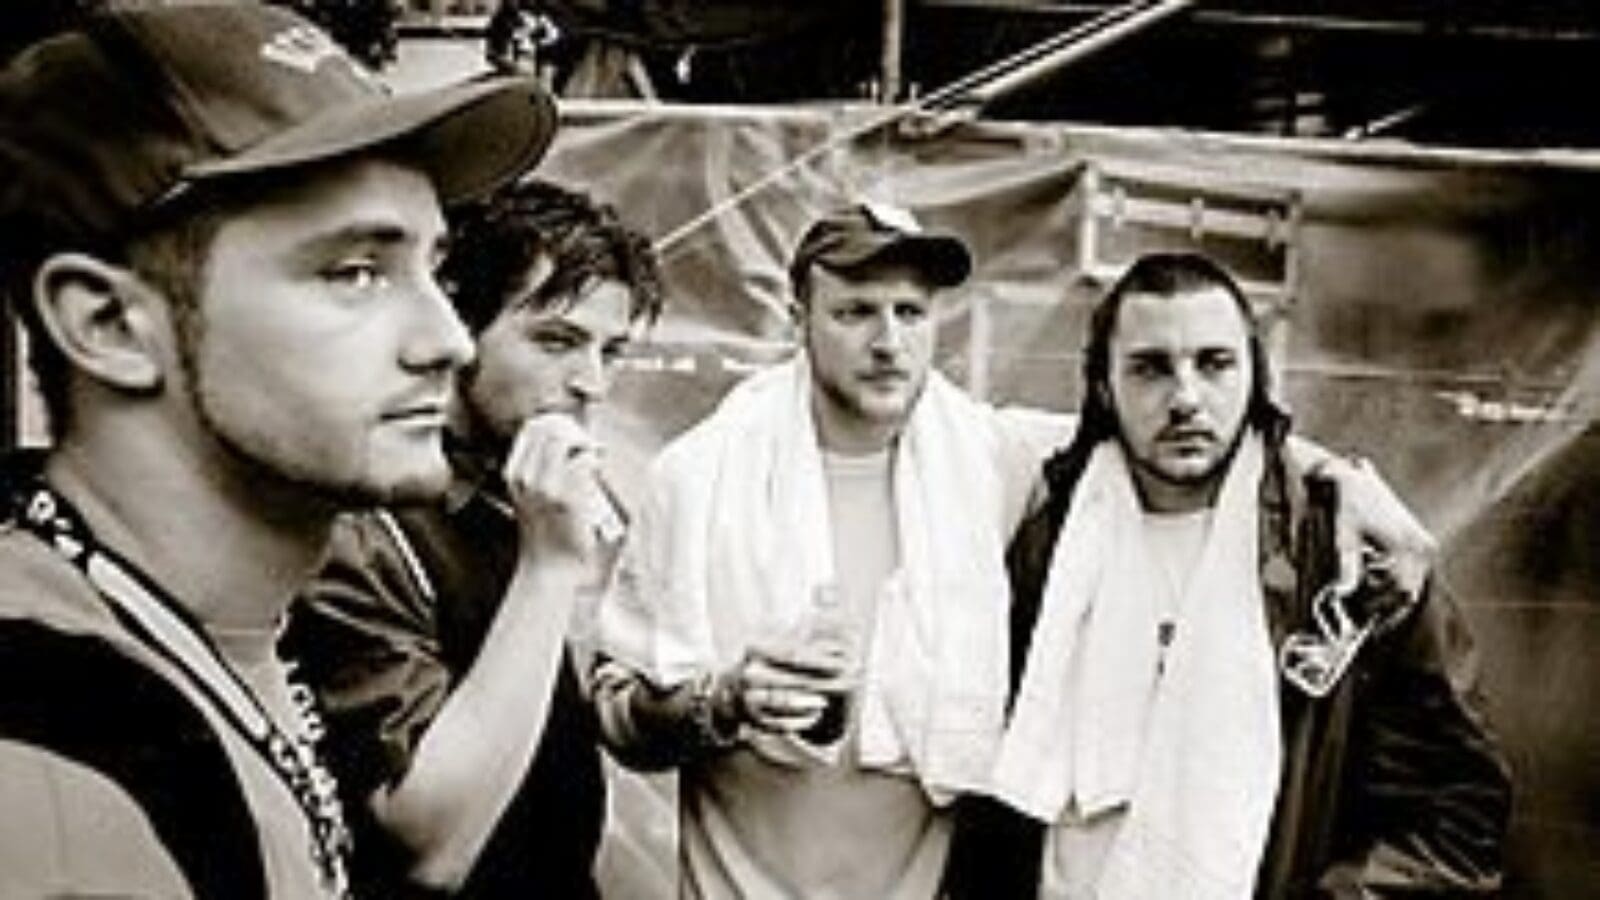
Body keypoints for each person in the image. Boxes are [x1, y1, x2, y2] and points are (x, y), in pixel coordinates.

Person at [592, 204, 1441, 898]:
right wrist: (724, 701)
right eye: (855, 311)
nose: (888, 341)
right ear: (798, 319)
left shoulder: (989, 459)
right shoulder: (698, 479)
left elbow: (1167, 432)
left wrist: (1344, 479)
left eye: (910, 313)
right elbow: (618, 713)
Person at [0, 4, 553, 897]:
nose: (449, 340)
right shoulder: (50, 778)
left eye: (436, 269)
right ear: (109, 325)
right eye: (355, 273)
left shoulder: (223, 626)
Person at [953, 252, 1511, 898]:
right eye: (1150, 368)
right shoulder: (1046, 543)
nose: (1186, 398)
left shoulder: (1344, 557)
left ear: (1255, 376)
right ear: (1104, 386)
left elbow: (1456, 813)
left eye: (1214, 364)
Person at [283, 178, 663, 897]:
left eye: (612, 352)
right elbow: (428, 845)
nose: (592, 383)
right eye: (556, 341)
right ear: (458, 329)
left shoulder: (516, 493)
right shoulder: (369, 523)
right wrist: (550, 568)